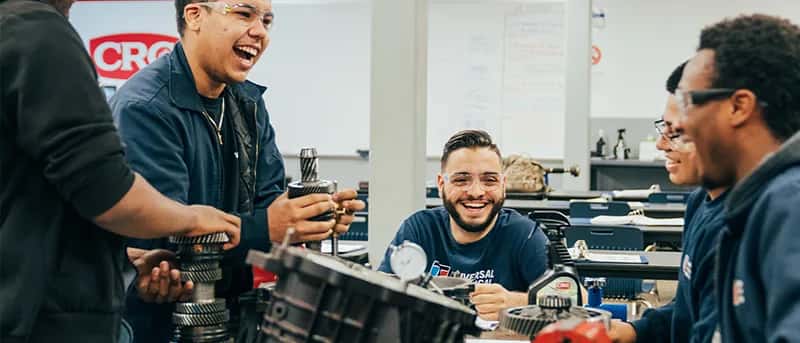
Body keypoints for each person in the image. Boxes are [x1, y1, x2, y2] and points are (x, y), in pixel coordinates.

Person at [110, 0, 365, 340]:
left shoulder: (248, 103)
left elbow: (268, 201)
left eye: (267, 20)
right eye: (244, 14)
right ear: (195, 16)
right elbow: (163, 241)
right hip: (157, 329)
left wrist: (307, 216)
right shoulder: (147, 109)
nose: (259, 31)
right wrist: (266, 227)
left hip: (232, 316)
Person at [0, 0, 242, 341]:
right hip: (39, 324)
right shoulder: (38, 33)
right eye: (243, 13)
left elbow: (27, 207)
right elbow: (104, 191)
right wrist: (192, 219)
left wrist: (121, 261)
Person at [672, 14, 800, 342]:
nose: (680, 126)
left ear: (739, 106)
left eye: (688, 102)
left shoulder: (789, 205)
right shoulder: (754, 203)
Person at [608, 62, 729, 343]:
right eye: (664, 127)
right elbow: (687, 311)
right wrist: (631, 331)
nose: (662, 145)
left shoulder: (751, 221)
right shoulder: (700, 202)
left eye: (676, 133)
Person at [378, 130, 549, 321]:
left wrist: (517, 302)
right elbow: (379, 296)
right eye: (461, 180)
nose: (476, 192)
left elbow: (577, 299)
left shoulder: (524, 234)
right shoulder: (419, 229)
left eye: (489, 180)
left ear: (503, 185)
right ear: (441, 184)